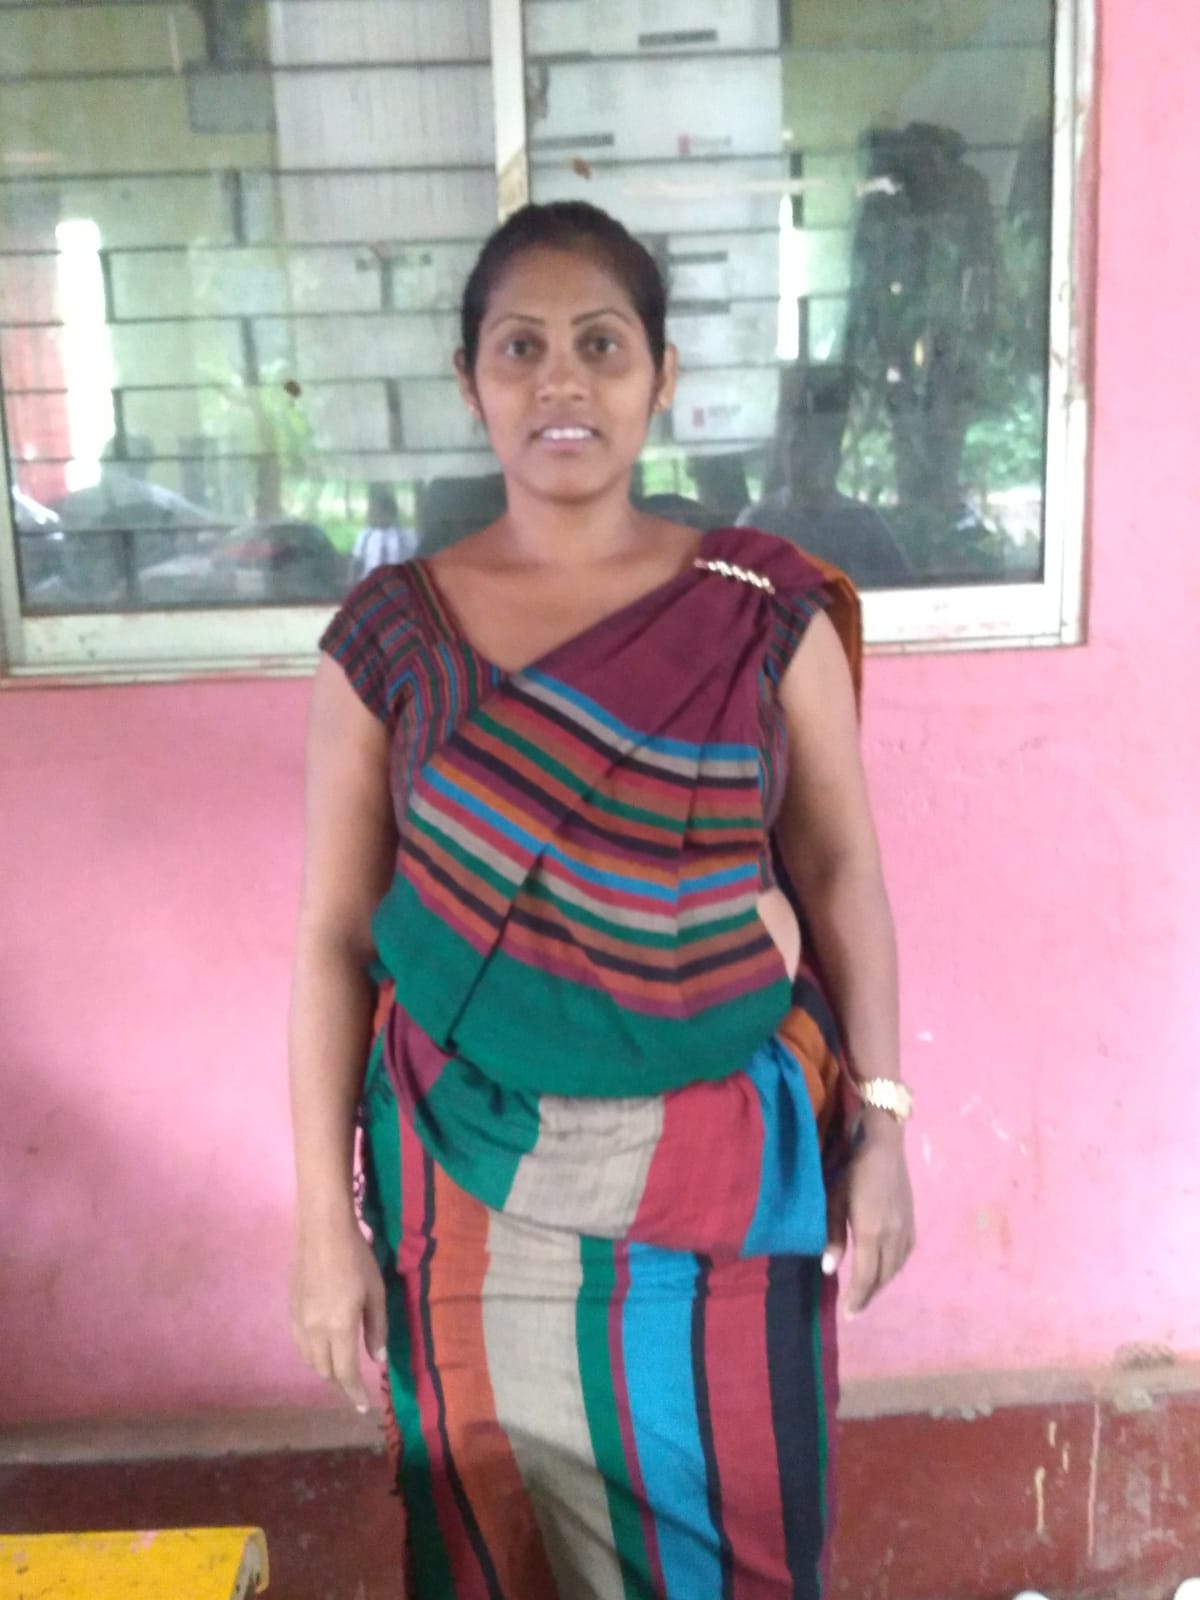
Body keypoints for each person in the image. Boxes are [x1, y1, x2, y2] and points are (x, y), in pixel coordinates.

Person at [289, 201, 916, 1599]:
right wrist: (324, 1223)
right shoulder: (390, 640)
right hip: (466, 1191)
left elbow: (839, 872)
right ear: (470, 383)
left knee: (740, 1539)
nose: (560, 379)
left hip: (730, 1192)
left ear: (662, 375)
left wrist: (882, 1128)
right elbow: (337, 938)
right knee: (498, 1545)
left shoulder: (758, 610)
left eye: (601, 344)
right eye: (520, 347)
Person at [351, 483, 418, 581]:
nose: (369, 515)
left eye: (374, 511)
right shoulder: (365, 536)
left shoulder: (407, 536)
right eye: (370, 511)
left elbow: (414, 563)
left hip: (397, 583)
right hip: (370, 582)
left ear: (388, 513)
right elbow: (357, 562)